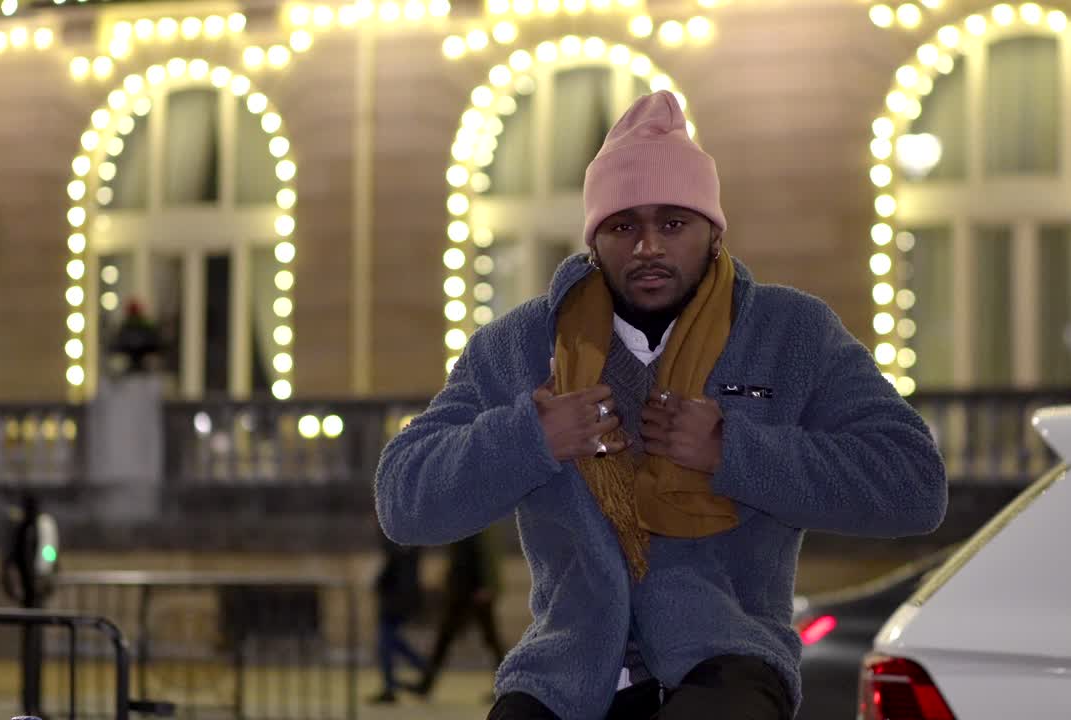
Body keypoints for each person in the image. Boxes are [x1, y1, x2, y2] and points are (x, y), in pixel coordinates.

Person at [375, 90, 948, 720]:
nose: (648, 246)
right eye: (623, 226)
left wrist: (731, 451)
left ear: (713, 232)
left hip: (728, 660)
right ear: (595, 240)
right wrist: (529, 438)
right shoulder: (521, 346)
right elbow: (403, 500)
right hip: (563, 678)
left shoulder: (789, 332)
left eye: (673, 223)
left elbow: (914, 484)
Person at [413, 527, 507, 698]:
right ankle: (425, 684)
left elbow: (483, 558)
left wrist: (485, 586)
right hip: (461, 591)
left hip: (473, 592)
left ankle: (507, 685)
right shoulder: (465, 525)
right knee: (446, 638)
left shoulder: (476, 526)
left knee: (490, 640)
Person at [369, 537, 426, 704]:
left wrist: (379, 583)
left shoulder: (397, 541)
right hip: (402, 598)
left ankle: (391, 686)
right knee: (390, 641)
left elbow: (392, 565)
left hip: (395, 599)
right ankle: (421, 667)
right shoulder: (411, 542)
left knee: (386, 643)